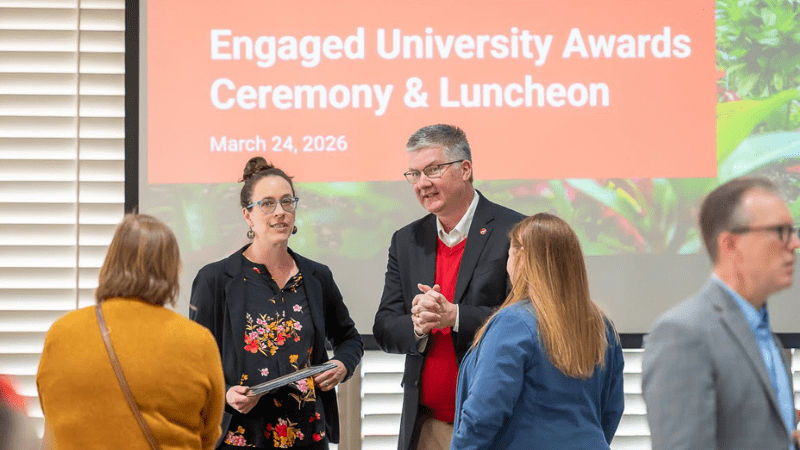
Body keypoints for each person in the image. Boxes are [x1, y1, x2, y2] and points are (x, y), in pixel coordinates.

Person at [191, 156, 363, 449]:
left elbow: (349, 339)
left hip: (307, 434)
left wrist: (342, 364)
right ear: (248, 215)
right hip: (241, 435)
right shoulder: (215, 280)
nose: (280, 212)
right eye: (267, 203)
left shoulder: (317, 276)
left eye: (287, 202)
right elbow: (194, 365)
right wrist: (226, 394)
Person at [373, 124, 524, 450]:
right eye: (413, 174)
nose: (422, 183)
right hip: (428, 426)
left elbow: (530, 322)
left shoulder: (515, 230)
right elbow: (385, 328)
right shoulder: (406, 240)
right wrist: (417, 325)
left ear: (465, 169)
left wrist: (455, 316)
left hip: (500, 425)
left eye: (433, 169)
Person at [36, 214, 226, 449]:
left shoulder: (61, 333)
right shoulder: (197, 342)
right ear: (172, 270)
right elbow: (208, 435)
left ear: (110, 263)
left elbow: (51, 414)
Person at [642, 177, 800, 450]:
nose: (794, 243)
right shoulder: (682, 334)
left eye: (793, 230)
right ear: (730, 245)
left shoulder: (769, 339)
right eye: (780, 231)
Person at [451, 213, 625, 449]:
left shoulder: (512, 324)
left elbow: (482, 415)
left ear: (520, 258)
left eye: (509, 253)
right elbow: (610, 411)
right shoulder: (602, 325)